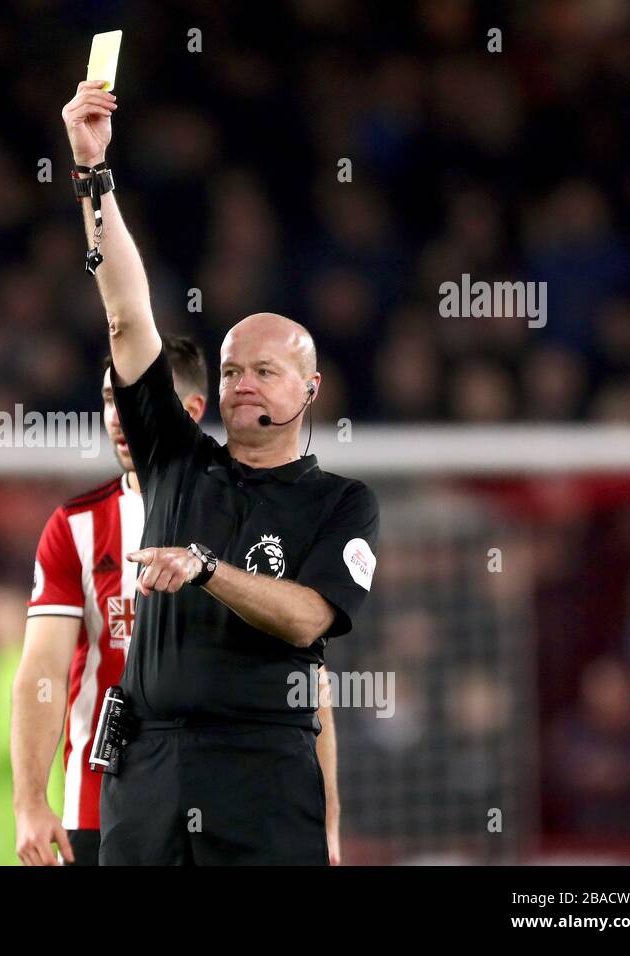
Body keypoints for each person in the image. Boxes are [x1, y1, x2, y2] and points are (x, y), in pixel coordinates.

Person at [61, 82, 379, 864]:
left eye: (264, 371)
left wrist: (206, 570)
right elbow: (126, 313)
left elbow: (309, 619)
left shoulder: (341, 503)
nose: (241, 383)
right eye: (232, 369)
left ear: (310, 390)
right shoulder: (175, 456)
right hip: (149, 771)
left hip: (264, 773)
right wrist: (92, 172)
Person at [13, 337, 345, 865]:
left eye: (131, 402)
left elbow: (307, 681)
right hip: (100, 810)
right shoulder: (76, 526)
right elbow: (41, 673)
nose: (117, 416)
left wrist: (325, 822)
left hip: (230, 805)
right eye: (106, 399)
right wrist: (30, 801)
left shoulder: (246, 519)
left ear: (188, 411)